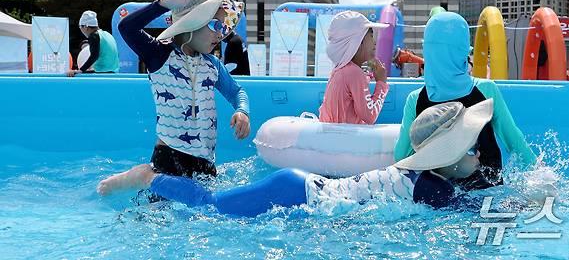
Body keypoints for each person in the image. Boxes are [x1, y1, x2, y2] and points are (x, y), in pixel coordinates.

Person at [98, 100, 493, 217]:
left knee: (215, 204)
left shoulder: (430, 180)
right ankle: (148, 178)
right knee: (210, 205)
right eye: (470, 145)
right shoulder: (431, 188)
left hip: (303, 187)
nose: (478, 151)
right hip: (295, 191)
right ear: (443, 156)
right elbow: (474, 211)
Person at [109, 0, 250, 184]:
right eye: (217, 26)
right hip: (170, 155)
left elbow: (236, 91)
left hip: (206, 160)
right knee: (159, 214)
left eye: (225, 29)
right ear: (192, 23)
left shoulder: (212, 64)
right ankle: (138, 177)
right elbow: (126, 28)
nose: (221, 35)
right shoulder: (160, 54)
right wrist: (164, 4)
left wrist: (242, 111)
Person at [394, 12, 537, 191]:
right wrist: (537, 176)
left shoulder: (415, 99)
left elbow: (401, 155)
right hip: (488, 190)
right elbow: (514, 142)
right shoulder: (485, 89)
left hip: (441, 195)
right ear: (463, 52)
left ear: (428, 52)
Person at [318, 11, 390, 124]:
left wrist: (369, 76)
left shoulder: (341, 69)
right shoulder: (354, 73)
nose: (375, 43)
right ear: (358, 41)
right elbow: (370, 116)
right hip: (345, 140)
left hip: (333, 138)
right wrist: (382, 83)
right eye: (371, 37)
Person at [67, 10, 120, 76]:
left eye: (80, 27)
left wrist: (81, 70)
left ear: (86, 27)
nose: (81, 29)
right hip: (114, 72)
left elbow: (94, 56)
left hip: (102, 73)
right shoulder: (107, 34)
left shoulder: (94, 35)